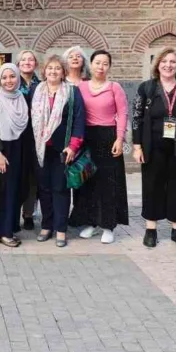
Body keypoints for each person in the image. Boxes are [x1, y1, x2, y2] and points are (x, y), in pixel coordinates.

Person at [131, 48, 176, 249]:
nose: (168, 65)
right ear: (158, 65)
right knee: (152, 185)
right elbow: (136, 118)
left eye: (173, 61)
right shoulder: (146, 88)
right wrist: (137, 146)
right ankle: (151, 229)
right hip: (152, 146)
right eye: (164, 61)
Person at [31, 55, 85, 248]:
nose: (53, 72)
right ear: (44, 71)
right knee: (44, 189)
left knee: (60, 189)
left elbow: (79, 120)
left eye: (57, 68)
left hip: (63, 150)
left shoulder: (72, 92)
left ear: (63, 72)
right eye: (49, 68)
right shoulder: (35, 91)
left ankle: (60, 229)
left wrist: (73, 146)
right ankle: (47, 226)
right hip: (40, 150)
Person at [76, 50, 129, 244]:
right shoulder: (81, 87)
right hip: (87, 138)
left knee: (108, 183)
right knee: (88, 182)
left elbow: (123, 114)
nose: (101, 66)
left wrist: (119, 138)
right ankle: (90, 222)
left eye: (105, 63)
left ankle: (108, 225)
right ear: (90, 64)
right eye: (97, 62)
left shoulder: (115, 87)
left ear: (109, 67)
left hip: (108, 137)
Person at [0, 63, 29, 247]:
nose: (8, 80)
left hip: (21, 150)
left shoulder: (23, 98)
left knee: (17, 190)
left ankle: (9, 227)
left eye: (12, 76)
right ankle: (4, 232)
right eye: (4, 77)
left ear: (18, 78)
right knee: (5, 192)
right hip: (3, 151)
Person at [63, 45, 97, 237]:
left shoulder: (88, 83)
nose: (75, 59)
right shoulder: (60, 82)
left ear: (84, 61)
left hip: (87, 135)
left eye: (78, 56)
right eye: (71, 56)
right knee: (64, 177)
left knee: (83, 176)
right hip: (65, 138)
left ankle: (81, 215)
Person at [17, 50, 40, 231]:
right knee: (16, 176)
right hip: (16, 137)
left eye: (30, 59)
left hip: (35, 137)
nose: (27, 62)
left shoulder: (42, 84)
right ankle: (14, 211)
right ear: (18, 64)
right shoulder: (10, 81)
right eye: (23, 59)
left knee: (32, 177)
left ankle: (28, 214)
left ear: (36, 64)